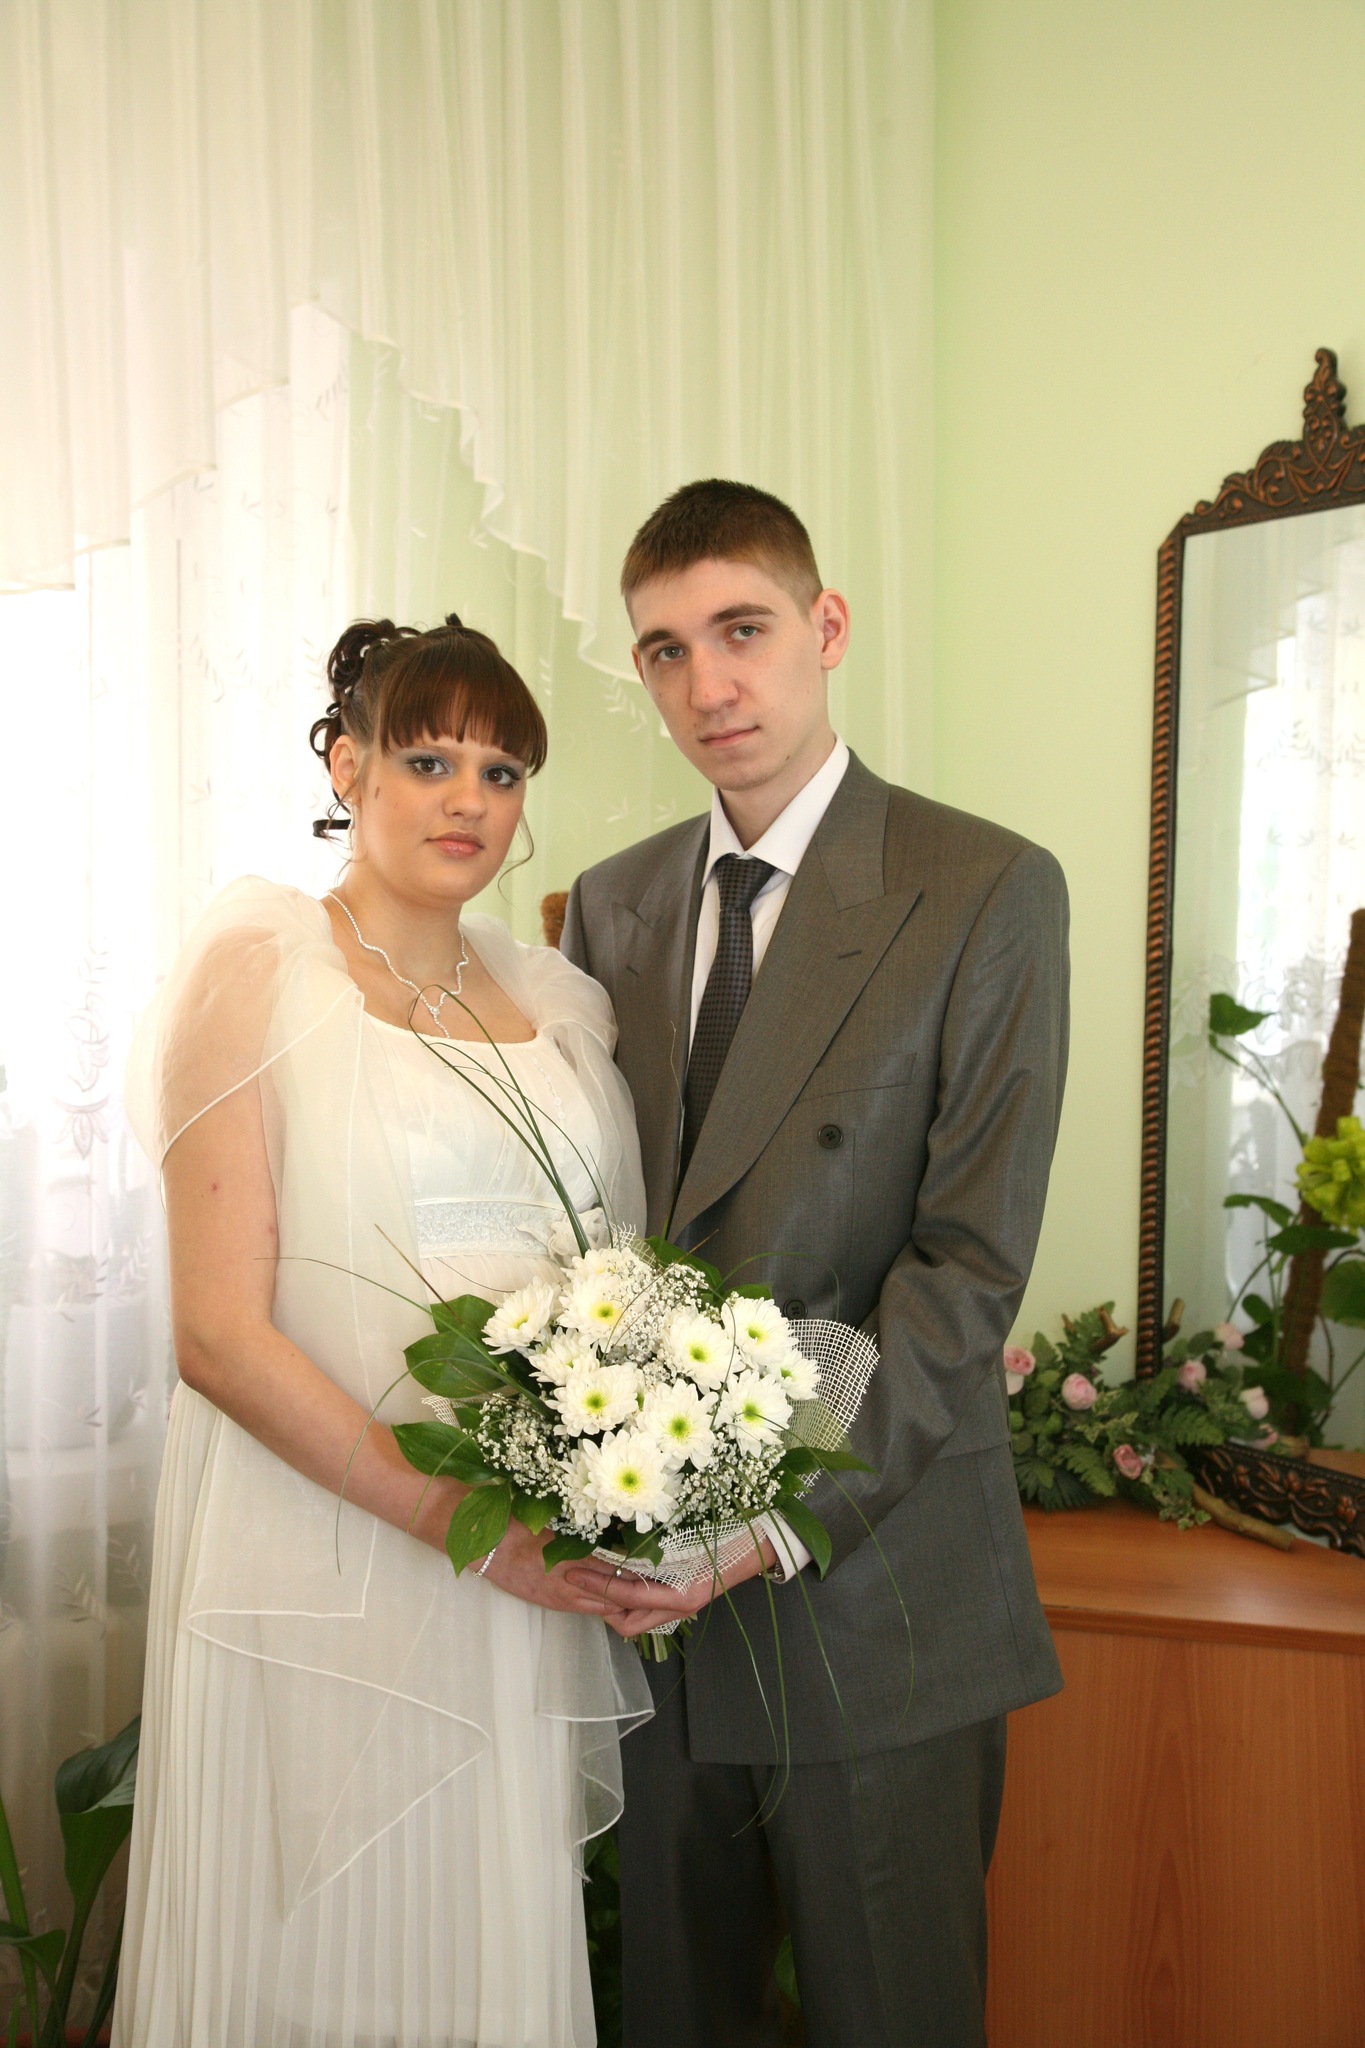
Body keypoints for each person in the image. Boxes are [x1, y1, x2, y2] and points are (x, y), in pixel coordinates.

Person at [560, 481, 1070, 2048]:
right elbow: (599, 1236)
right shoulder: (611, 906)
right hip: (658, 1612)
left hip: (876, 1591)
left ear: (824, 626)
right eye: (665, 650)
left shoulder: (984, 887)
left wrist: (771, 1521)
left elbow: (965, 1265)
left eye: (742, 630)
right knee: (675, 2016)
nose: (707, 684)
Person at [112, 615, 652, 2048]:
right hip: (326, 1553)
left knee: (479, 1943)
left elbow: (609, 1286)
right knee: (315, 1949)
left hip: (517, 1573)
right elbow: (217, 1335)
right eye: (428, 761)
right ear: (347, 768)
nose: (470, 798)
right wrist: (465, 1528)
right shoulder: (258, 969)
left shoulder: (554, 1007)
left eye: (502, 771)